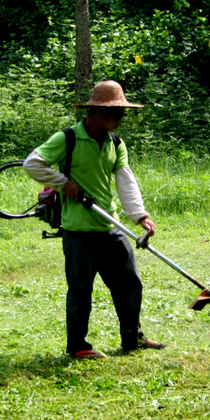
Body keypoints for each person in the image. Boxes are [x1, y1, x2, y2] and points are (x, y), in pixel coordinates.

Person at [23, 80, 165, 360]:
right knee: (80, 291)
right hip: (78, 232)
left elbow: (126, 180)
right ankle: (78, 346)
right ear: (99, 111)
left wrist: (140, 216)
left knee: (129, 284)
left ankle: (132, 339)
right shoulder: (68, 139)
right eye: (118, 114)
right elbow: (32, 163)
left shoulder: (116, 142)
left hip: (109, 227)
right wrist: (64, 184)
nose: (121, 119)